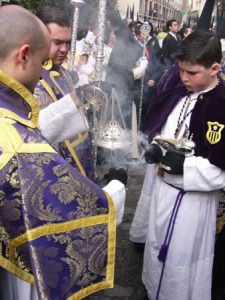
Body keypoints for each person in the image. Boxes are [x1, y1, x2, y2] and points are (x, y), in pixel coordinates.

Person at [0, 5, 126, 300]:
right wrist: (118, 186)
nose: (44, 70)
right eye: (42, 61)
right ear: (24, 55)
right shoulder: (17, 145)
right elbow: (77, 211)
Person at [130, 30, 225, 300]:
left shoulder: (221, 105)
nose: (183, 78)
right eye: (181, 70)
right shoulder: (181, 92)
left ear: (215, 68)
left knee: (181, 260)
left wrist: (185, 167)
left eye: (192, 73)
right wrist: (156, 149)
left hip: (192, 204)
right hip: (163, 192)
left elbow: (220, 171)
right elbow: (166, 131)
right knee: (156, 247)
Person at [35, 6, 95, 180]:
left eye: (68, 43)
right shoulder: (29, 78)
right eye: (58, 42)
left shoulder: (64, 73)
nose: (64, 49)